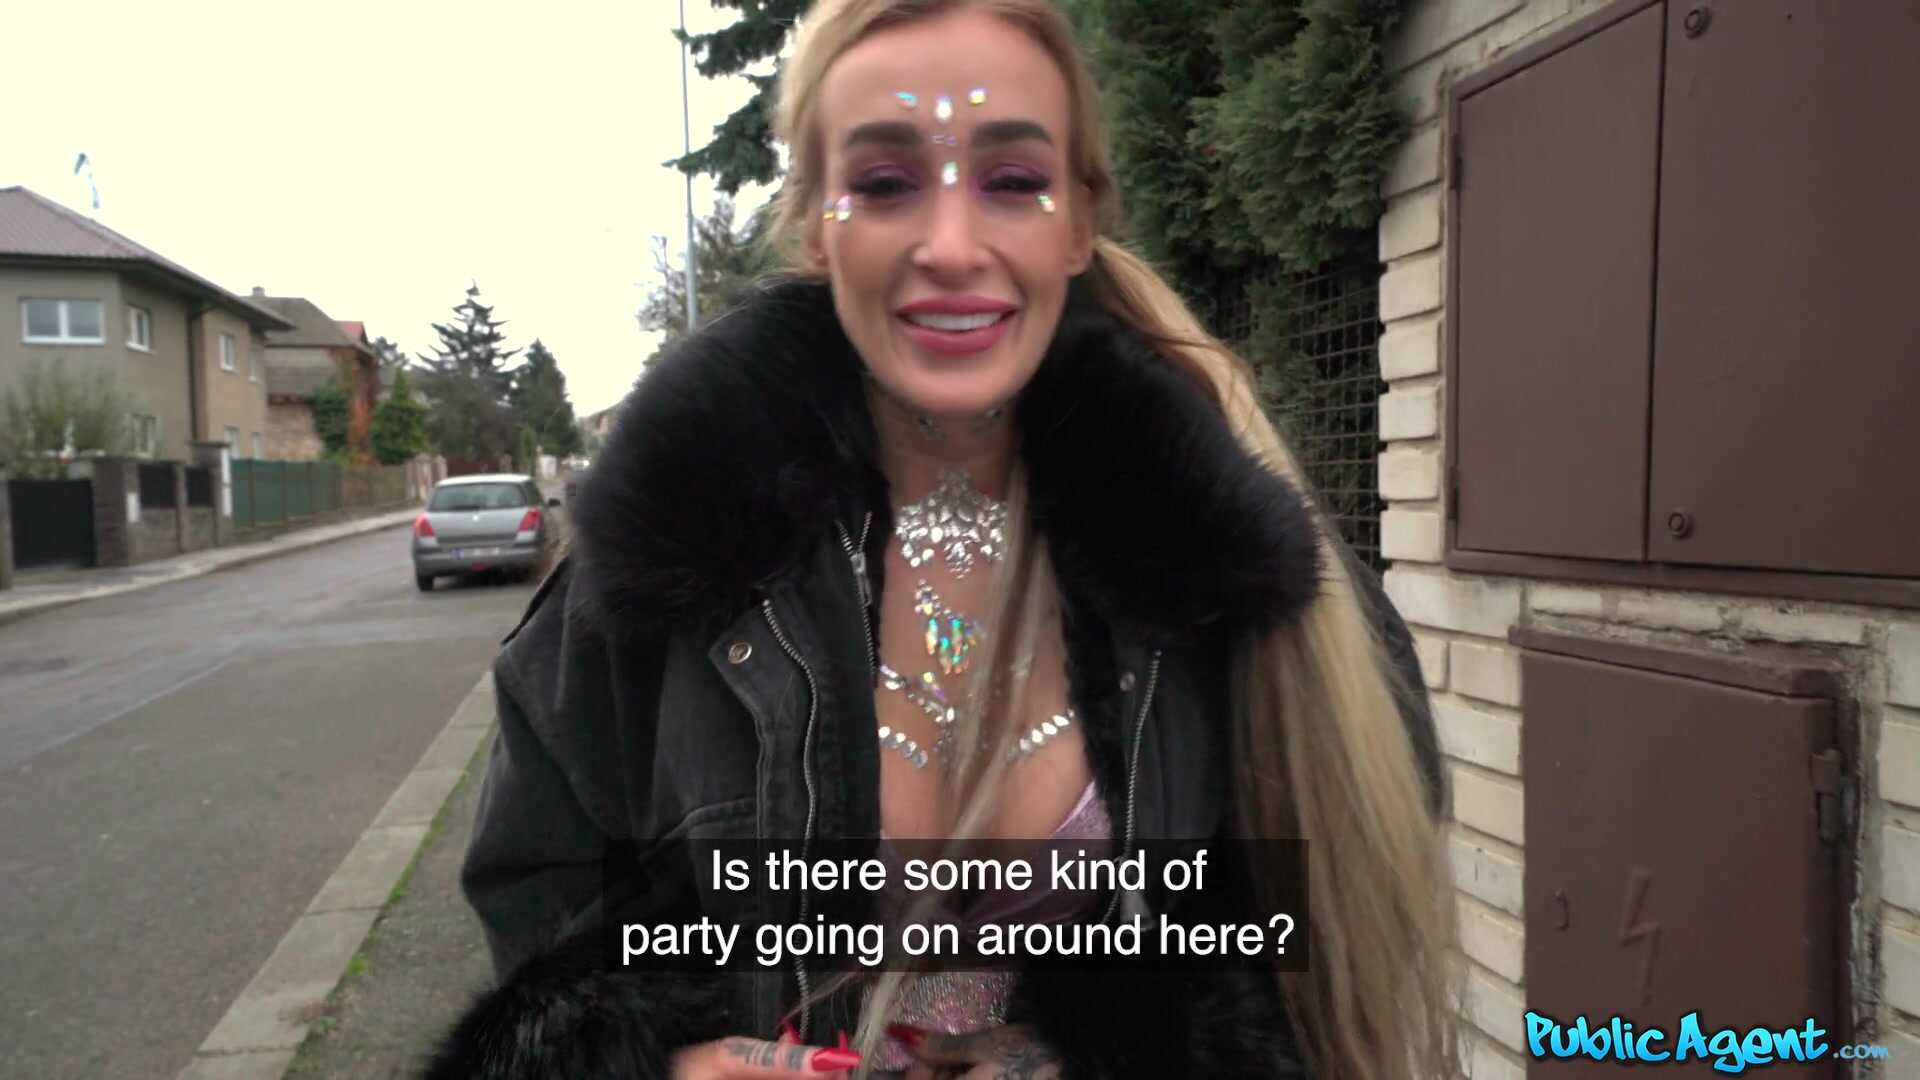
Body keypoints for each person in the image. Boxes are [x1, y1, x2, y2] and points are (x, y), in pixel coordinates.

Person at [426, 1, 1459, 1077]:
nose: (953, 248)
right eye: (885, 184)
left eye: (1011, 181)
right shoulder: (656, 569)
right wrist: (649, 1065)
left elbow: (1341, 940)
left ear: (1077, 221)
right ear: (818, 227)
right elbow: (533, 927)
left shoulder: (1237, 574)